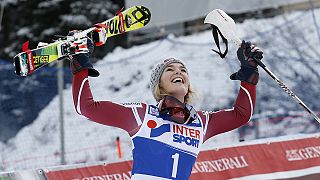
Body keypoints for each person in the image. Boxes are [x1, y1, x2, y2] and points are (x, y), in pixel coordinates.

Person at [70, 36, 263, 179]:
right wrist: (81, 64)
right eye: (170, 70)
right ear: (159, 85)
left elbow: (241, 115)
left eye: (183, 70)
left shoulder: (201, 122)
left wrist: (249, 72)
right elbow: (85, 107)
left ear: (188, 84)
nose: (178, 72)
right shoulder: (141, 115)